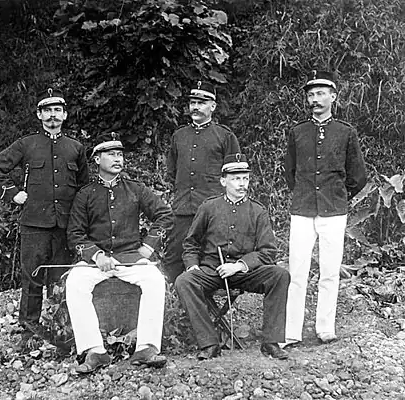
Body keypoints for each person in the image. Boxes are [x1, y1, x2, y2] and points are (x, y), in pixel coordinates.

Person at [65, 132, 174, 373]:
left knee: (155, 280)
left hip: (131, 259)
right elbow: (75, 234)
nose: (117, 159)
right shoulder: (85, 194)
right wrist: (96, 255)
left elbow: (165, 215)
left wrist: (148, 246)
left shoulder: (135, 189)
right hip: (96, 263)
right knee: (75, 283)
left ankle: (146, 348)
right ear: (97, 159)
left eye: (120, 155)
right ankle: (95, 351)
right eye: (111, 154)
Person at [0, 88, 89, 334]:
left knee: (60, 277)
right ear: (39, 115)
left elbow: (84, 188)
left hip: (65, 225)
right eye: (47, 111)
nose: (53, 115)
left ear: (65, 115)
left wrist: (81, 220)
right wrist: (12, 193)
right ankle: (30, 326)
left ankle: (59, 326)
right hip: (34, 223)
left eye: (57, 110)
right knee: (32, 276)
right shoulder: (26, 144)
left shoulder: (75, 148)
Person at [175, 153, 290, 360]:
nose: (242, 184)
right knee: (185, 281)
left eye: (245, 178)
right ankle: (209, 344)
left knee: (280, 275)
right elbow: (191, 243)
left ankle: (271, 342)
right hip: (212, 271)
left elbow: (268, 251)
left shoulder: (258, 211)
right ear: (223, 181)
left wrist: (239, 265)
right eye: (236, 179)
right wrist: (192, 266)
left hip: (244, 273)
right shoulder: (208, 207)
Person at [283, 70, 367, 346]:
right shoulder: (298, 132)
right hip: (302, 209)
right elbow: (290, 172)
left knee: (330, 272)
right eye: (310, 95)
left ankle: (325, 328)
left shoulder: (345, 132)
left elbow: (358, 176)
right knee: (297, 271)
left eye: (320, 94)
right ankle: (291, 331)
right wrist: (305, 193)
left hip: (334, 211)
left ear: (333, 97)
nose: (315, 100)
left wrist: (338, 196)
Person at [164, 81, 241, 283]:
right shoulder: (179, 136)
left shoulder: (224, 136)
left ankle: (209, 297)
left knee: (212, 256)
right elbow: (172, 172)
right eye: (193, 103)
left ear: (213, 106)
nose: (196, 107)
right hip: (183, 208)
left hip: (213, 210)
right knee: (174, 256)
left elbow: (235, 175)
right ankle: (176, 297)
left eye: (202, 103)